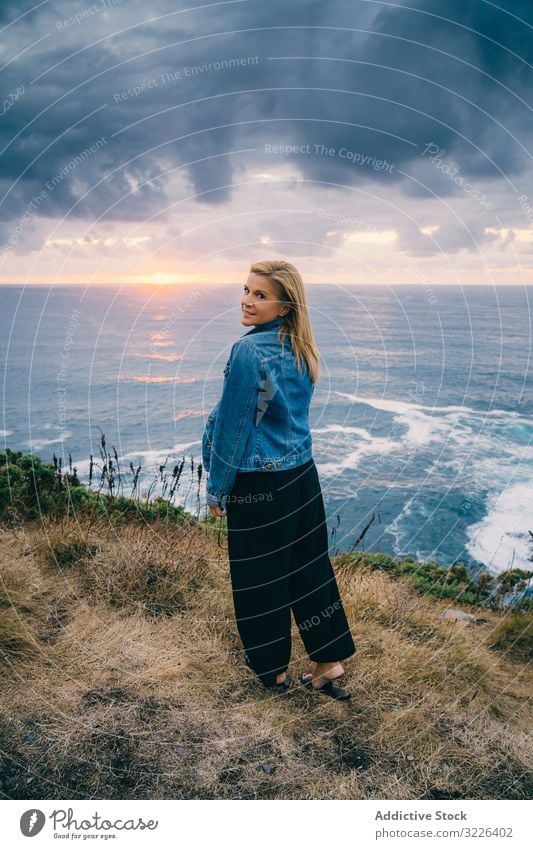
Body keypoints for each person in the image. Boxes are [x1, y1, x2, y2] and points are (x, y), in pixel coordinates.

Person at [202, 260, 356, 699]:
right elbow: (269, 411)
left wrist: (218, 487)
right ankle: (329, 663)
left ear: (285, 305)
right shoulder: (301, 345)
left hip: (260, 483)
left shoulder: (249, 351)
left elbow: (236, 428)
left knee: (259, 579)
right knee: (310, 569)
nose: (247, 301)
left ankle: (274, 674)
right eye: (247, 290)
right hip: (302, 477)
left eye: (261, 295)